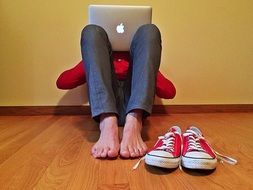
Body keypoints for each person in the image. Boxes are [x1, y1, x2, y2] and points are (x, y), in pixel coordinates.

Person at [80, 23, 162, 158]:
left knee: (150, 30)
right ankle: (107, 123)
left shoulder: (139, 53)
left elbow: (168, 90)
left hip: (134, 102)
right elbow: (65, 80)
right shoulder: (100, 54)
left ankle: (134, 123)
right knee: (91, 31)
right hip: (106, 101)